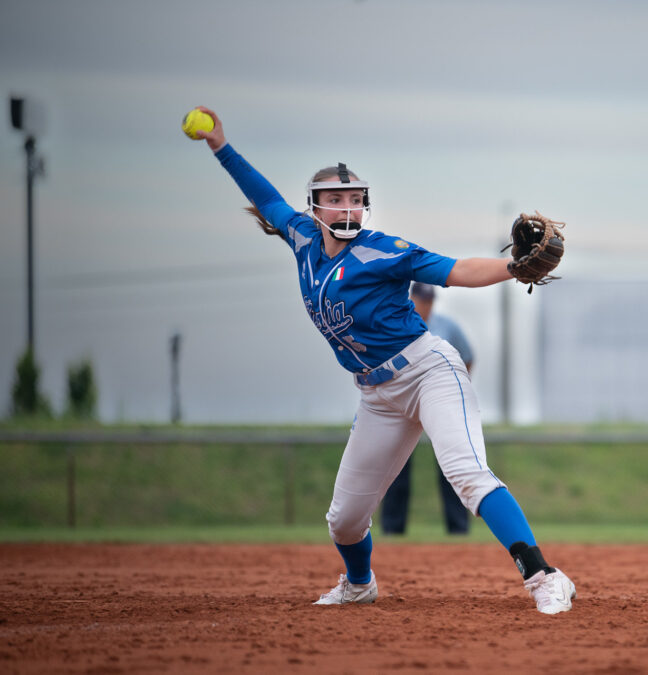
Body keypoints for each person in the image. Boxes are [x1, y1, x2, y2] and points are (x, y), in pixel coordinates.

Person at [189, 106, 575, 615]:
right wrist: (221, 146)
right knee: (345, 520)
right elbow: (265, 197)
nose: (346, 206)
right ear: (316, 207)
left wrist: (511, 266)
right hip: (376, 394)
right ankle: (358, 582)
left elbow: (456, 270)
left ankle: (544, 576)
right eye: (334, 199)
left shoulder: (383, 251)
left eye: (354, 198)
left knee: (467, 475)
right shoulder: (303, 238)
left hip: (427, 371)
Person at [380, 283, 474, 536]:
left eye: (430, 300)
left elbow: (467, 355)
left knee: (451, 466)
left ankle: (458, 529)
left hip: (439, 402)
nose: (426, 304)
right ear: (410, 298)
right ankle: (392, 528)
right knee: (396, 468)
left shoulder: (447, 326)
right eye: (422, 299)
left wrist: (458, 387)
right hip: (404, 403)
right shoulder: (396, 324)